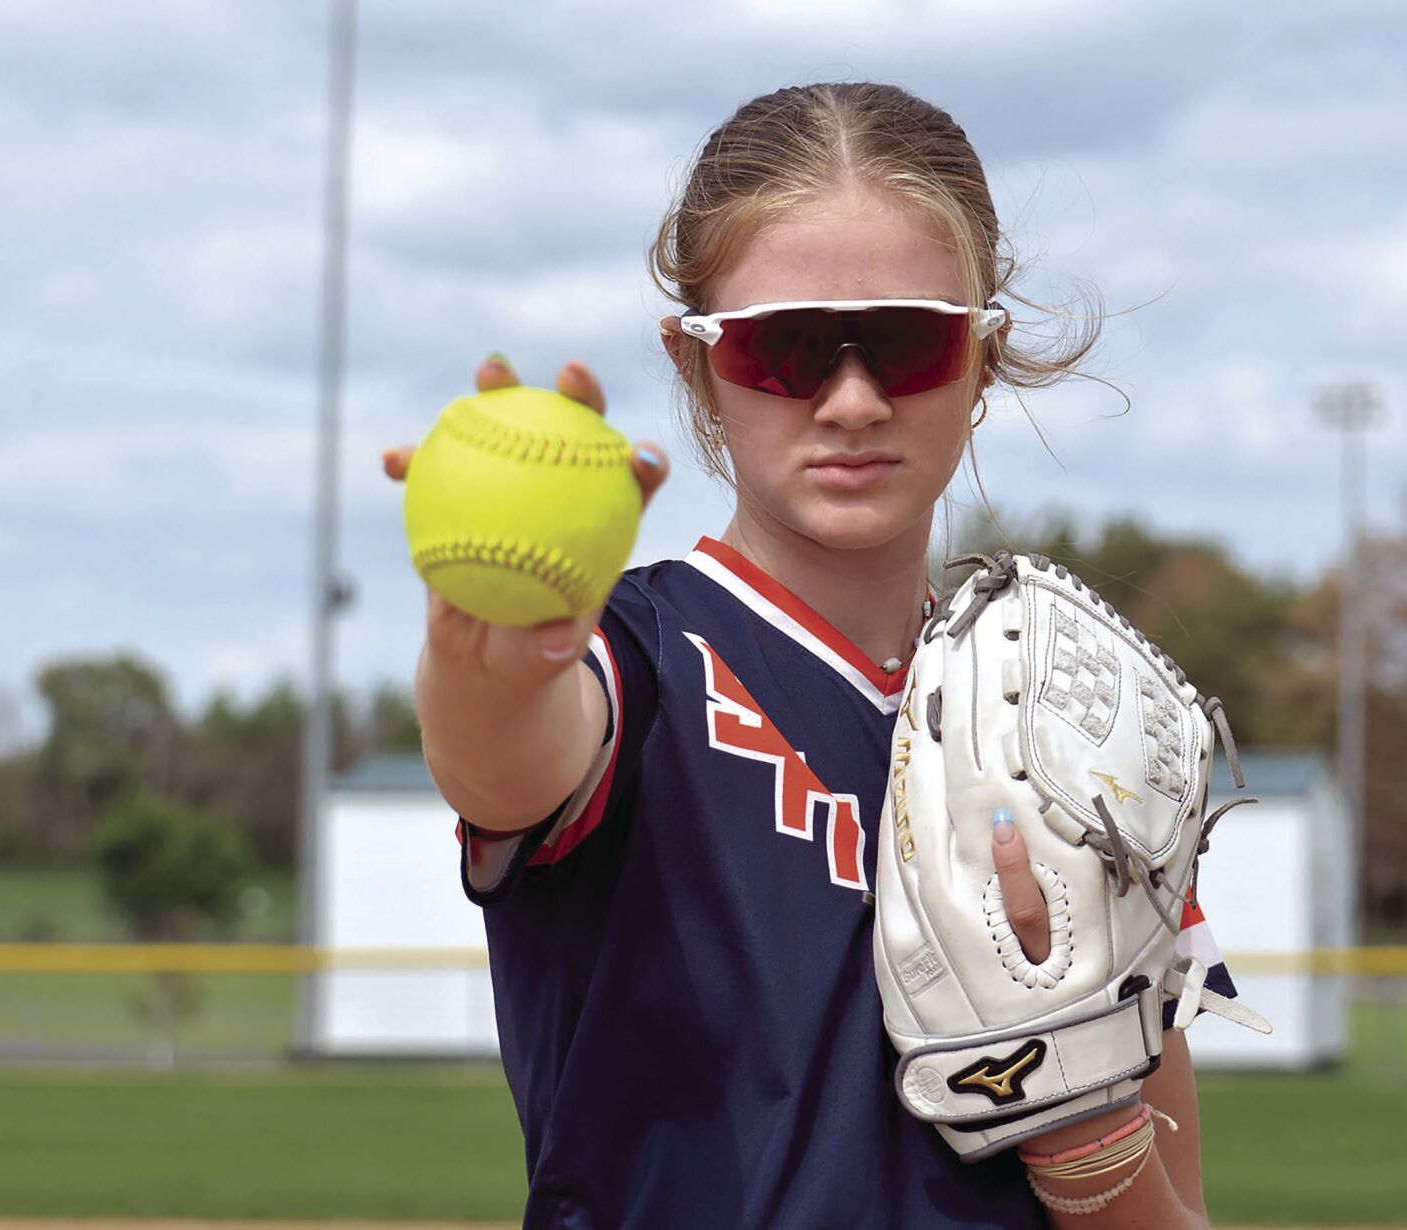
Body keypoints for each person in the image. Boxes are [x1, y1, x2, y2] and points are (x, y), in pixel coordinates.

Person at [385, 81, 1233, 1229]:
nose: (849, 399)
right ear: (695, 368)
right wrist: (492, 654)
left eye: (908, 342)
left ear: (981, 361)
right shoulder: (631, 667)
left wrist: (1080, 1130)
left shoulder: (1085, 732)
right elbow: (501, 759)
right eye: (782, 350)